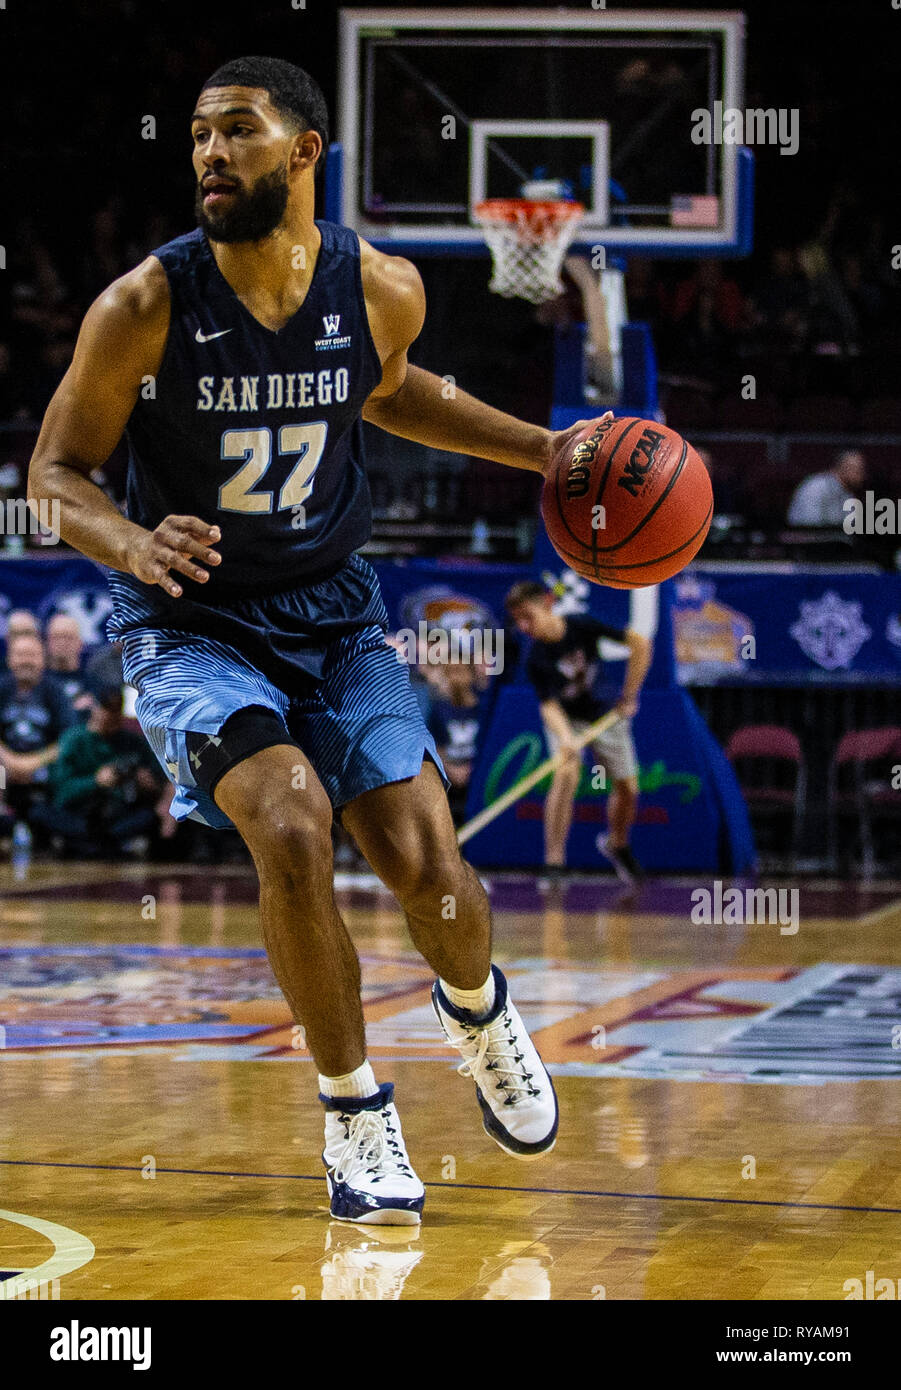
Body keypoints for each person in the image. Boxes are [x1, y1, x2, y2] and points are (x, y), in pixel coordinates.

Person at [28, 56, 602, 1227]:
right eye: (195, 133)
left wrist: (545, 450)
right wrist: (131, 545)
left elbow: (390, 394)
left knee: (421, 855)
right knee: (289, 819)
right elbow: (53, 473)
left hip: (336, 616)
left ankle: (478, 1009)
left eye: (236, 130)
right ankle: (354, 1112)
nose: (206, 153)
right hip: (190, 625)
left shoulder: (379, 287)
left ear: (303, 151)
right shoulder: (144, 305)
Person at [505, 581, 652, 884]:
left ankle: (617, 844)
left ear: (547, 603)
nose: (523, 626)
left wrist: (630, 695)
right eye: (517, 620)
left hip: (604, 713)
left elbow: (640, 644)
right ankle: (554, 863)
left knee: (628, 790)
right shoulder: (535, 658)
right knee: (566, 772)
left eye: (527, 616)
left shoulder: (581, 625)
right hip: (566, 719)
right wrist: (566, 739)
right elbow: (548, 706)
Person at [33, 677, 164, 858]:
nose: (110, 715)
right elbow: (60, 792)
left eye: (116, 710)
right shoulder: (73, 739)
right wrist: (96, 781)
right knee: (39, 812)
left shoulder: (134, 742)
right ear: (94, 707)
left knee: (151, 817)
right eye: (106, 708)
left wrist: (148, 785)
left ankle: (100, 844)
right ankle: (95, 844)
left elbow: (159, 785)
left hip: (119, 817)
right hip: (80, 815)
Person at [0, 630, 76, 824]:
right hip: (5, 766)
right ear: (9, 659)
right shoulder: (2, 688)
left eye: (31, 655)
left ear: (43, 659)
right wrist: (10, 760)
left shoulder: (55, 691)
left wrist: (33, 762)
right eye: (20, 655)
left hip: (45, 766)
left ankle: (62, 827)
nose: (26, 661)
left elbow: (69, 738)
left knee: (68, 767)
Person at [786, 448, 867, 527]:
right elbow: (810, 529)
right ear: (842, 468)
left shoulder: (848, 493)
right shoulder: (815, 488)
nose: (862, 475)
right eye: (858, 470)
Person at [45, 612, 91, 711]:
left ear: (80, 643)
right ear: (47, 642)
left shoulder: (92, 682)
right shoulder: (38, 681)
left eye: (68, 637)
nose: (62, 643)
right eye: (56, 637)